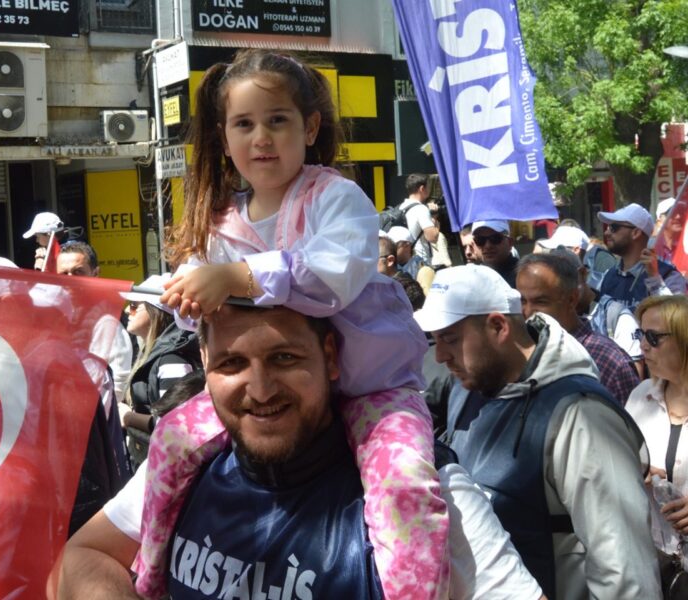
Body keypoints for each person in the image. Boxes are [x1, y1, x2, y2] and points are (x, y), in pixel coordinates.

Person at [153, 49, 443, 598]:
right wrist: (186, 295)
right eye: (244, 124)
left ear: (309, 128)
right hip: (275, 400)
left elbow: (331, 277)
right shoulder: (220, 222)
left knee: (405, 483)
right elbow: (200, 307)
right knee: (169, 438)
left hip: (375, 389)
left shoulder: (336, 198)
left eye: (277, 120)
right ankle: (149, 578)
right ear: (223, 138)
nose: (261, 137)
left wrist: (233, 277)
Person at [58, 304, 546, 600]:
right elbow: (83, 556)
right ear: (204, 363)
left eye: (284, 358)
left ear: (330, 357)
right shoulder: (187, 463)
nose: (261, 389)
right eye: (231, 364)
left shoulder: (423, 491)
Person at [416, 264, 661, 599]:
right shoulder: (468, 387)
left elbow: (626, 575)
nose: (440, 355)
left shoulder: (581, 415)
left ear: (498, 326)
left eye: (450, 338)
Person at [624, 296, 688, 593]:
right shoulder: (640, 396)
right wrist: (635, 470)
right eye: (640, 334)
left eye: (653, 337)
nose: (643, 346)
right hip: (652, 563)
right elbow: (622, 460)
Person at [516, 254, 640, 404]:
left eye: (541, 302)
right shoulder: (517, 355)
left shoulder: (609, 362)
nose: (528, 311)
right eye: (522, 301)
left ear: (571, 299)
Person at [120, 275, 202, 468]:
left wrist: (128, 417)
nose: (127, 310)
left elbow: (176, 427)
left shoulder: (171, 360)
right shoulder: (154, 354)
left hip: (165, 469)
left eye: (134, 305)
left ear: (155, 312)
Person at [57, 240, 134, 402]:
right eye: (63, 274)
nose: (70, 279)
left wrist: (95, 412)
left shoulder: (107, 321)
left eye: (78, 272)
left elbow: (119, 383)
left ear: (95, 273)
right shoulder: (57, 317)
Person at [597, 204, 686, 309]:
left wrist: (654, 279)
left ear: (636, 233)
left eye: (614, 228)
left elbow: (676, 315)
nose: (606, 233)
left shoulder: (668, 275)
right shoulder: (610, 276)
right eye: (608, 227)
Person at [399, 173, 440, 264]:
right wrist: (435, 219)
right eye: (428, 187)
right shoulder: (421, 209)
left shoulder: (401, 207)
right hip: (420, 260)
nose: (429, 190)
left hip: (405, 260)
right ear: (422, 189)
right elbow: (432, 237)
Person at [469, 220, 518, 286]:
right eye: (480, 240)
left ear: (510, 242)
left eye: (495, 238)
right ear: (473, 245)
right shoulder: (470, 277)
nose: (488, 246)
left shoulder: (523, 273)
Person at [389, 225, 436, 289]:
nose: (391, 250)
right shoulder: (390, 267)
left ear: (407, 244)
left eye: (394, 246)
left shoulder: (421, 268)